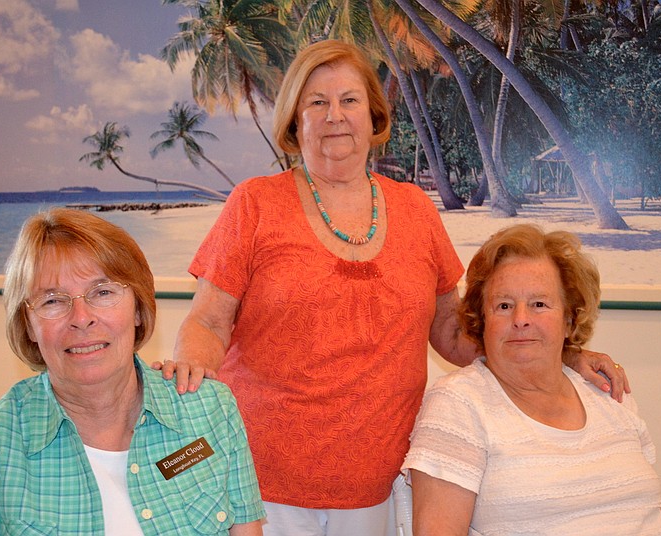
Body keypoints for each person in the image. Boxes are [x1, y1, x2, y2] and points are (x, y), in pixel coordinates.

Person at [159, 40, 628, 536]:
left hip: (381, 485)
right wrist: (191, 375)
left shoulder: (416, 211)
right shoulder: (254, 203)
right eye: (316, 102)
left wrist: (566, 357)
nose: (334, 115)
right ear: (295, 121)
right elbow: (209, 321)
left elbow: (454, 331)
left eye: (349, 100)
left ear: (374, 115)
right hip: (259, 482)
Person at [0, 208, 264, 535]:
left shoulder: (210, 409)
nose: (81, 317)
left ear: (137, 307)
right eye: (53, 301)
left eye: (102, 292)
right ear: (28, 325)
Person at [403, 223, 661, 535]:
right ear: (482, 320)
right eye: (504, 306)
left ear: (569, 318)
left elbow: (652, 513)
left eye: (539, 304)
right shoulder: (458, 404)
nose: (521, 320)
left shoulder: (606, 392)